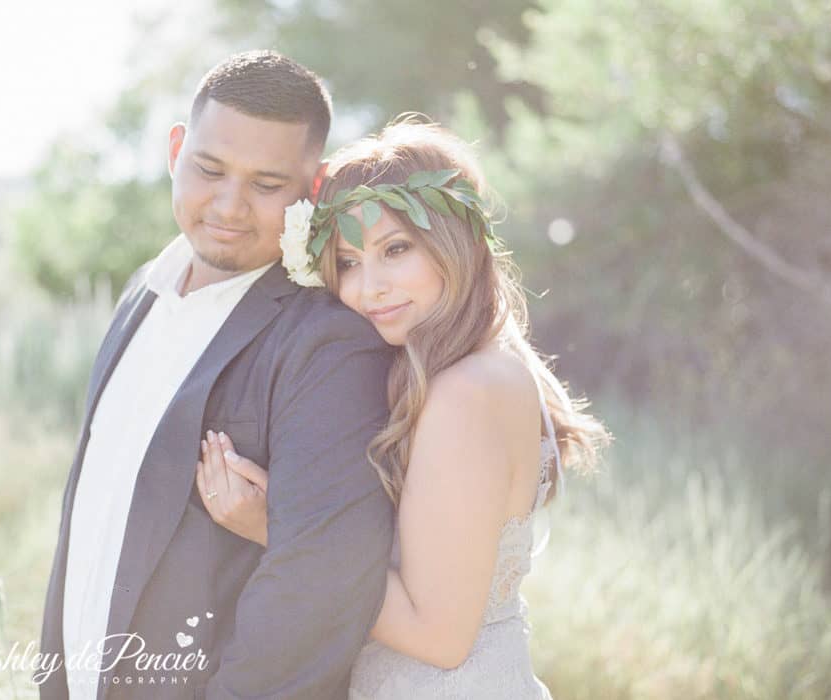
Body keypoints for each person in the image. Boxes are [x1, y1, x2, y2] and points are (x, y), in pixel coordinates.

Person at [197, 119, 611, 699]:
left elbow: (439, 635)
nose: (370, 288)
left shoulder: (463, 392)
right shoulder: (485, 365)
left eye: (395, 249)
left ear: (453, 242)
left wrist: (273, 526)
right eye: (347, 262)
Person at [37, 50, 395, 700]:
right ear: (176, 149)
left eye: (266, 184)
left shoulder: (331, 345)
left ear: (311, 189)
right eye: (209, 169)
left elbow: (317, 595)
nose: (230, 206)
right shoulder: (141, 291)